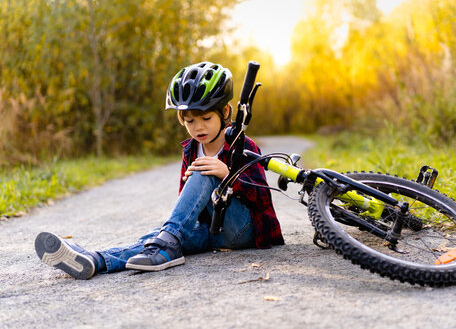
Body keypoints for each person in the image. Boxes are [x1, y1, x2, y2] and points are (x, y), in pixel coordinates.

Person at [34, 61, 284, 279]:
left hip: (245, 230)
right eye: (189, 121)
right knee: (157, 239)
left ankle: (167, 246)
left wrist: (225, 175)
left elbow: (263, 199)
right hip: (212, 232)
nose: (198, 127)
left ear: (225, 112)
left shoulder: (241, 146)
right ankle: (96, 260)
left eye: (206, 118)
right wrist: (192, 192)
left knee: (177, 222)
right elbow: (185, 214)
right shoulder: (190, 150)